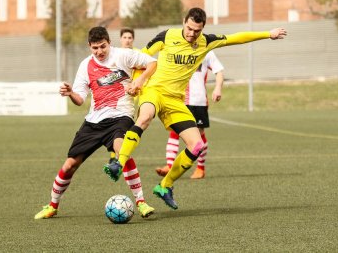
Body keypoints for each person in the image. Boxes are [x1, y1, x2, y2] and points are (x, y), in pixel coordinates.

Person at [104, 7, 287, 210]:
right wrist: (137, 83)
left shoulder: (206, 42)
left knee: (197, 145)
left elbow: (236, 38)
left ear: (203, 28)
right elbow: (141, 60)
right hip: (153, 91)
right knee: (145, 117)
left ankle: (165, 186)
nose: (192, 34)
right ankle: (118, 163)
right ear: (184, 21)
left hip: (175, 100)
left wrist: (267, 34)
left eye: (197, 31)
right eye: (189, 28)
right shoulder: (166, 36)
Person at [34, 26, 157, 219]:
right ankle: (52, 205)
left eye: (103, 47)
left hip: (120, 117)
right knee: (69, 165)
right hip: (94, 121)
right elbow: (80, 100)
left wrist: (140, 80)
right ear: (89, 47)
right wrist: (71, 94)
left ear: (109, 43)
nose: (99, 52)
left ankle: (141, 202)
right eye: (95, 48)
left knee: (121, 150)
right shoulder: (86, 66)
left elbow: (152, 62)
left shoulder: (124, 55)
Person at [156, 50, 224, 179]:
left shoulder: (207, 50)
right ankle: (170, 166)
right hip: (179, 99)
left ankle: (200, 169)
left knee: (200, 134)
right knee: (174, 131)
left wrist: (218, 88)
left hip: (198, 101)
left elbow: (219, 70)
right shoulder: (180, 48)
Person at [108, 27, 139, 164]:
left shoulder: (137, 54)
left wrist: (135, 85)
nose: (127, 40)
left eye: (129, 38)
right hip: (115, 96)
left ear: (133, 39)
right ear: (120, 39)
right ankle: (114, 157)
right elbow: (110, 75)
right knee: (112, 123)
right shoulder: (114, 55)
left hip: (134, 97)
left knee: (125, 127)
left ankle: (120, 156)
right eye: (125, 37)